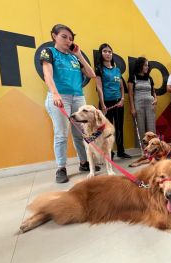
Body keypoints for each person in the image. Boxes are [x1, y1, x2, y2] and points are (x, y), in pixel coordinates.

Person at [40, 24, 96, 183]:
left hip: (78, 97)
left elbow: (91, 74)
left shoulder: (74, 57)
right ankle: (61, 168)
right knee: (61, 133)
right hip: (59, 97)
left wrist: (79, 54)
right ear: (54, 36)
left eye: (70, 38)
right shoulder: (49, 52)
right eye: (64, 36)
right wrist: (55, 93)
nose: (67, 40)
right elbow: (47, 74)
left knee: (81, 133)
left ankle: (84, 162)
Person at [95, 43, 131, 159]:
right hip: (106, 104)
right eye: (105, 51)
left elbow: (121, 87)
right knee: (107, 129)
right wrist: (103, 105)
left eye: (109, 52)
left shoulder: (117, 70)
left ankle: (121, 151)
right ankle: (109, 152)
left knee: (119, 127)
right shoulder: (99, 69)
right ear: (101, 54)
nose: (107, 54)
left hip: (119, 103)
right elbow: (99, 87)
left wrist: (122, 99)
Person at [128, 57, 157, 142]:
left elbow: (153, 91)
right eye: (145, 65)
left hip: (150, 105)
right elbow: (130, 94)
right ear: (140, 65)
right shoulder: (133, 77)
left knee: (151, 127)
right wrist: (132, 108)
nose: (147, 67)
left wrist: (156, 99)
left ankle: (153, 146)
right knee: (140, 127)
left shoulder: (149, 78)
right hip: (138, 105)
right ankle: (142, 149)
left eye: (147, 65)